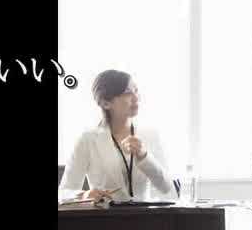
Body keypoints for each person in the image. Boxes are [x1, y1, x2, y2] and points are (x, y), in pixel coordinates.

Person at [58, 70, 174, 203]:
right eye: (127, 93)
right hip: (104, 214)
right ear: (106, 103)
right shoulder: (87, 139)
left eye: (136, 91)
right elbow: (64, 193)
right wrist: (84, 195)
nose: (136, 97)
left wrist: (144, 156)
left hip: (143, 214)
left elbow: (167, 188)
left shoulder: (150, 135)